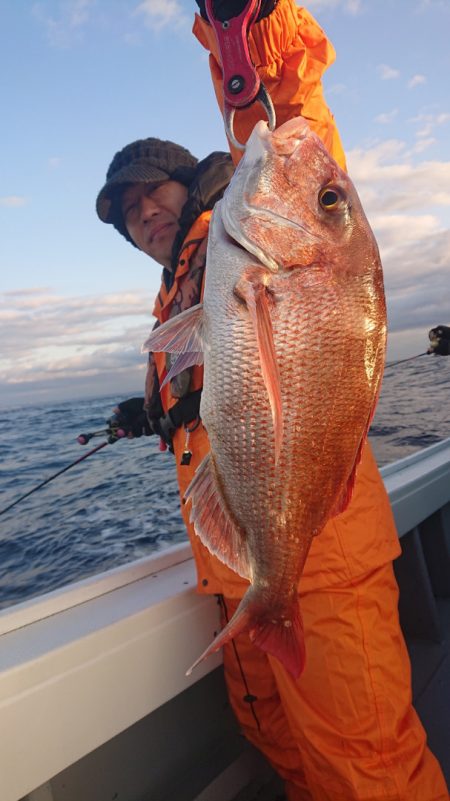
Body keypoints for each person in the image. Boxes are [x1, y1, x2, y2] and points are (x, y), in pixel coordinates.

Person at [96, 2, 449, 799]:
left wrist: (246, 31)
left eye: (149, 192)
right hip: (243, 564)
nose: (140, 212)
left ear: (196, 181)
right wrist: (151, 407)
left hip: (316, 552)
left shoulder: (265, 218)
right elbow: (217, 385)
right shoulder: (190, 281)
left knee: (366, 764)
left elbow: (294, 121)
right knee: (286, 749)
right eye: (125, 213)